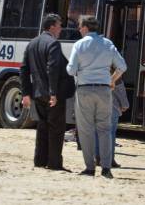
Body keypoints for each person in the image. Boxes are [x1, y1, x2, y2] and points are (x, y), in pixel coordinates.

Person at [67, 17, 126, 179]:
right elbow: (122, 66)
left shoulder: (79, 45)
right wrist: (112, 80)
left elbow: (71, 70)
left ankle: (90, 168)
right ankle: (106, 168)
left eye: (80, 26)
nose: (79, 29)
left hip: (85, 90)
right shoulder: (107, 44)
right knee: (105, 130)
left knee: (86, 130)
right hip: (104, 90)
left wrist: (78, 69)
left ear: (85, 27)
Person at [20, 14, 75, 171]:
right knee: (56, 129)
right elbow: (53, 69)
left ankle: (39, 160)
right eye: (59, 25)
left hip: (38, 93)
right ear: (51, 27)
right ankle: (54, 163)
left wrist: (26, 93)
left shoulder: (32, 43)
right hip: (53, 94)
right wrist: (53, 93)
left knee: (42, 127)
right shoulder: (53, 44)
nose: (61, 28)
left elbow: (24, 69)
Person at [95, 75, 129, 168]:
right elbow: (120, 92)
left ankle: (97, 158)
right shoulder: (115, 76)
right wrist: (125, 105)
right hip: (111, 107)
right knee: (110, 134)